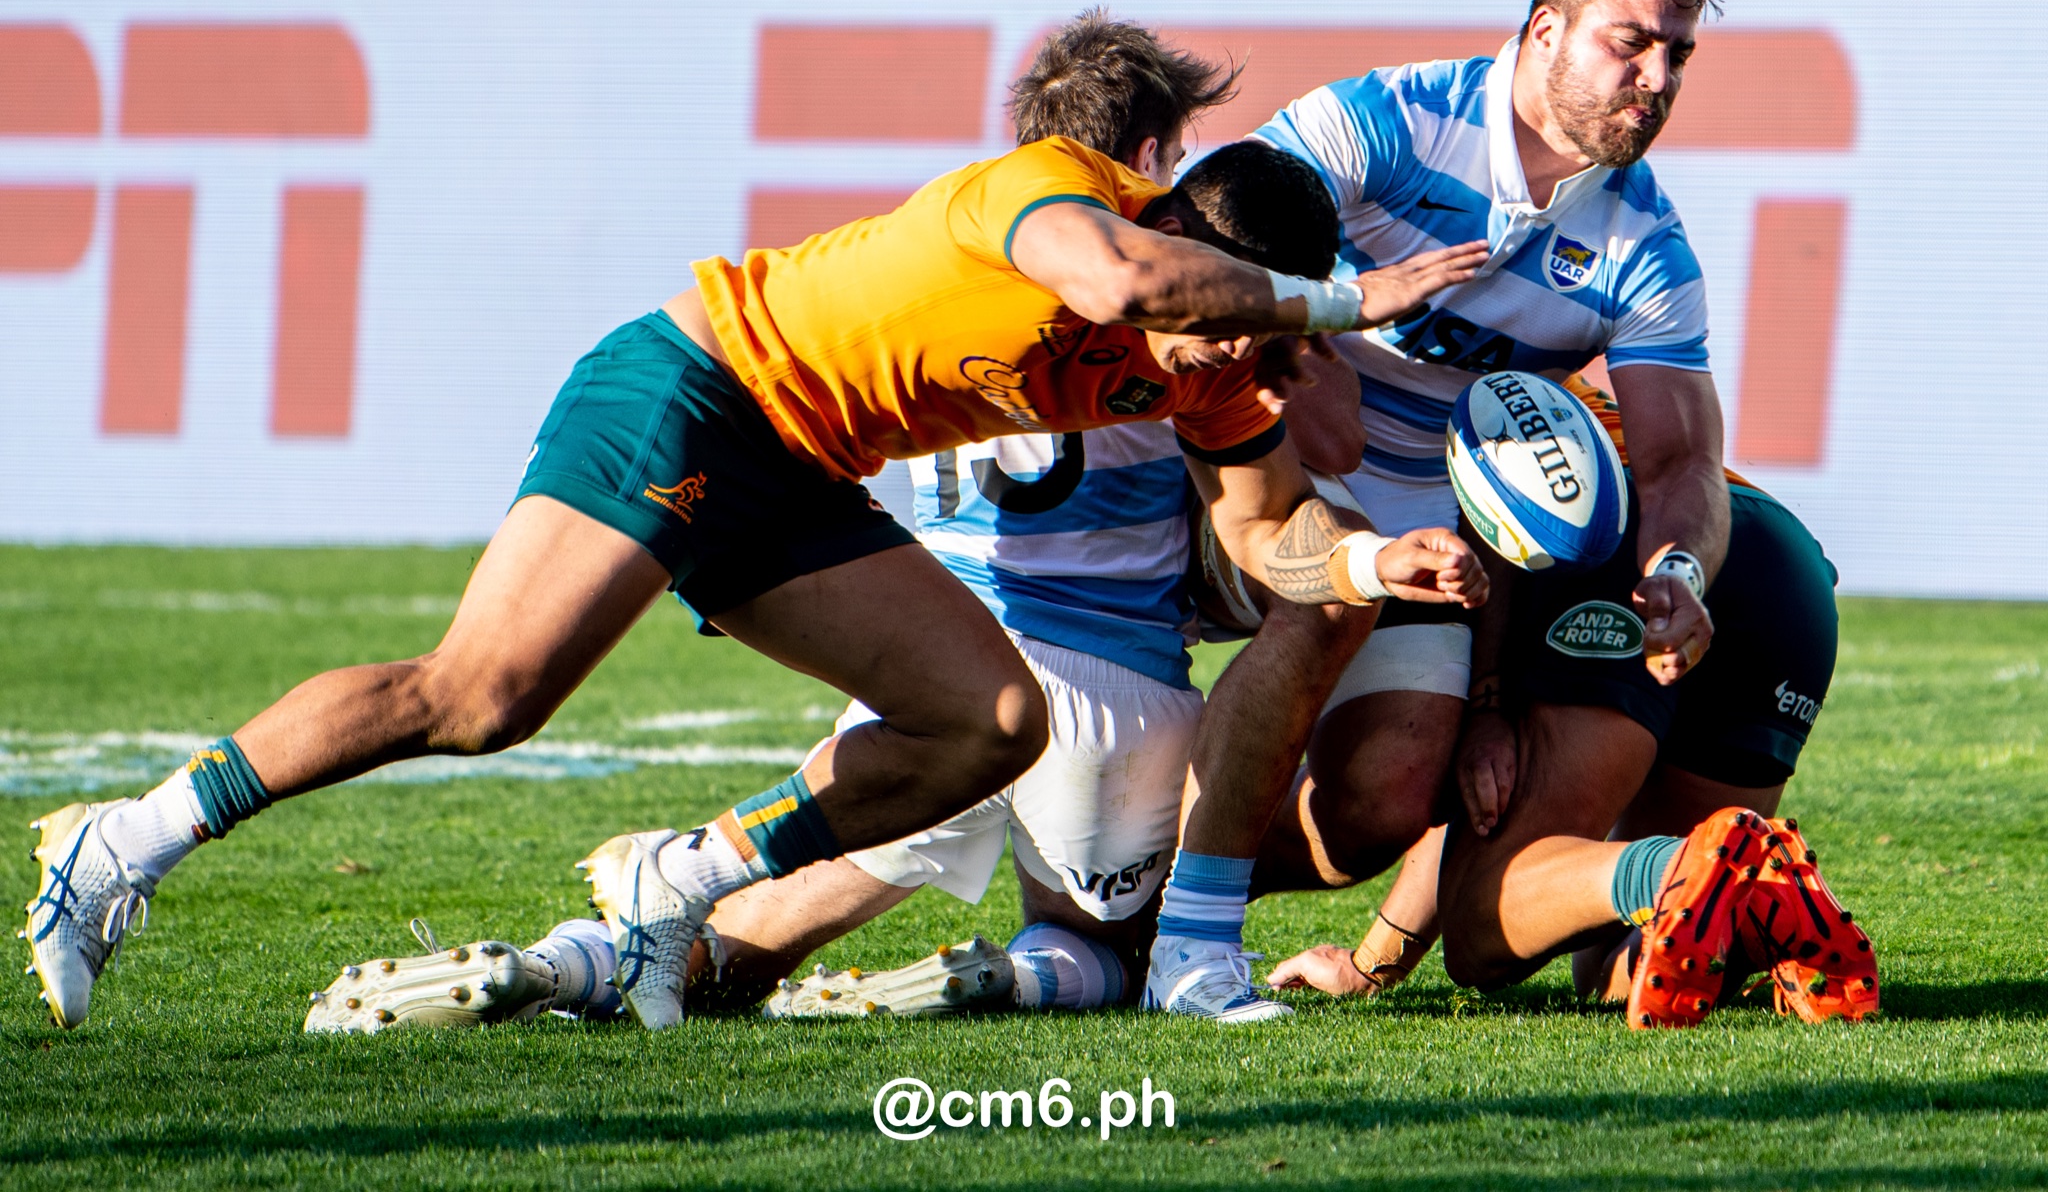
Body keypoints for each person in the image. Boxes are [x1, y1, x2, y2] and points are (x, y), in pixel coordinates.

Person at [24, 66, 1493, 1031]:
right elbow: (1113, 277)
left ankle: (679, 887)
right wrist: (1336, 306)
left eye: (1245, 331)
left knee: (986, 722)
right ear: (1182, 226)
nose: (1219, 355)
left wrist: (1366, 570)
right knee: (480, 698)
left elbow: (1267, 535)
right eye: (1223, 317)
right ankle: (123, 841)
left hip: (802, 464)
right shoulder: (1057, 194)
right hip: (694, 387)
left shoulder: (1212, 365)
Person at [1148, 0, 1733, 1015]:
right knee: (1314, 601)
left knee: (1386, 791)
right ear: (1544, 30)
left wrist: (1681, 573)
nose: (1655, 79)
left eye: (1676, 55)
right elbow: (1219, 247)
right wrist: (1321, 340)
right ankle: (1180, 932)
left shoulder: (1643, 245)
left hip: (1424, 537)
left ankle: (1131, 903)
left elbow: (1680, 459)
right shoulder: (1386, 121)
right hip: (1245, 464)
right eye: (1630, 43)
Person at [1269, 374, 1877, 1027]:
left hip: (1621, 548)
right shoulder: (1535, 357)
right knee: (1624, 960)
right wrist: (1371, 962)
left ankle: (1683, 867)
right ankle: (1767, 913)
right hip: (1778, 566)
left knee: (1479, 936)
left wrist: (1372, 962)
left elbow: (1465, 795)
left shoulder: (1408, 411)